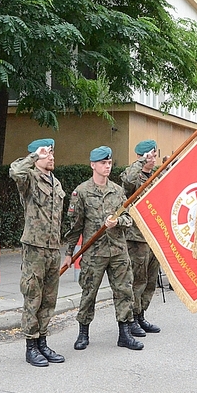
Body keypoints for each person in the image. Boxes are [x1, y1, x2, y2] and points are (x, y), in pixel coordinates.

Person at [63, 146, 143, 351]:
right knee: (89, 293)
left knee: (124, 291)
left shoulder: (117, 191)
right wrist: (69, 253)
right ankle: (83, 333)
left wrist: (118, 222)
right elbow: (75, 226)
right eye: (103, 163)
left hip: (118, 251)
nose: (107, 166)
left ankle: (125, 333)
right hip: (94, 253)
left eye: (109, 163)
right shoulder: (82, 192)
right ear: (93, 165)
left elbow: (129, 218)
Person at [9, 138, 67, 367]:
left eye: (52, 152)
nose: (51, 156)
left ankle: (43, 341)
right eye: (47, 153)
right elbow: (15, 171)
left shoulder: (56, 183)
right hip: (34, 248)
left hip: (53, 248)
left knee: (49, 299)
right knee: (33, 297)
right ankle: (31, 346)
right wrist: (34, 155)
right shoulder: (30, 178)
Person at [121, 140, 161, 335]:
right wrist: (141, 162)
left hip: (155, 235)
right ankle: (132, 318)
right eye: (150, 155)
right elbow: (127, 182)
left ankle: (141, 314)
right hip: (137, 237)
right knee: (138, 279)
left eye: (154, 155)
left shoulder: (156, 176)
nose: (153, 159)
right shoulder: (133, 175)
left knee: (151, 280)